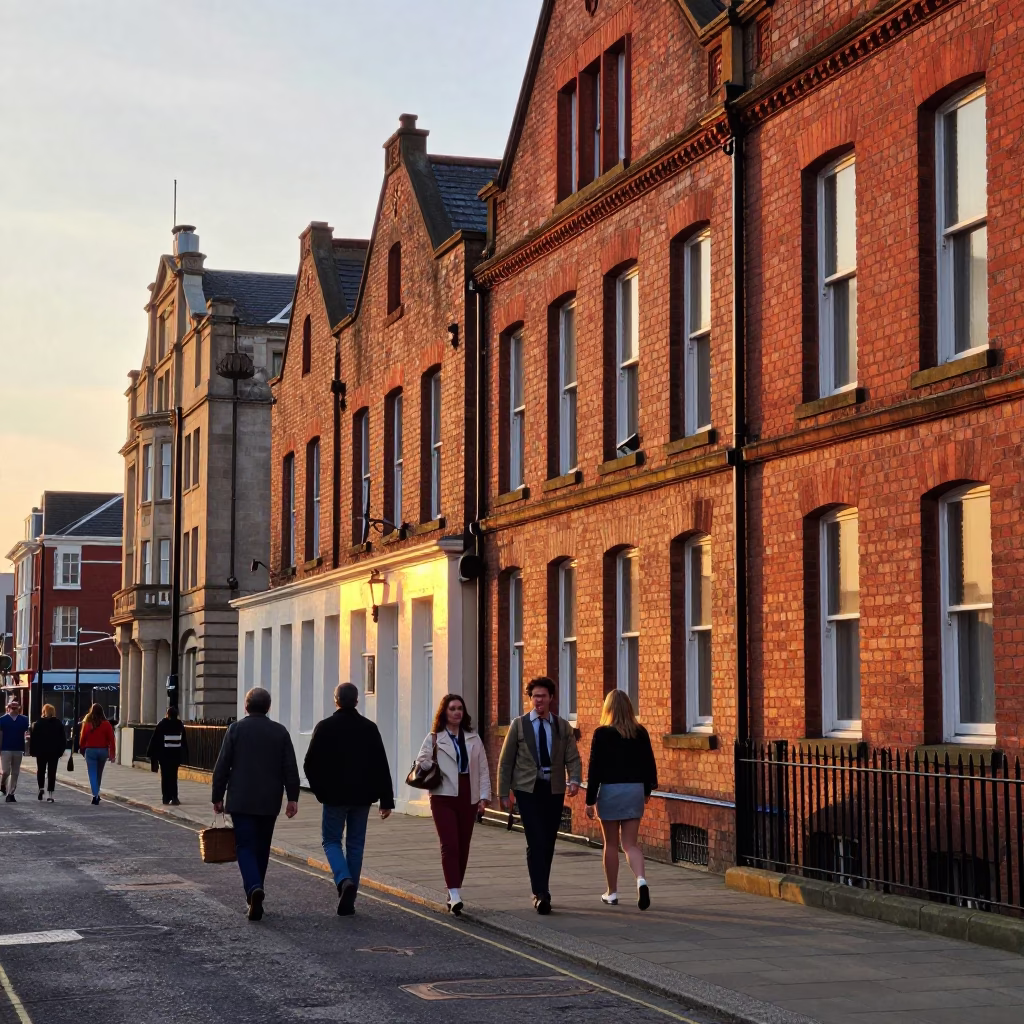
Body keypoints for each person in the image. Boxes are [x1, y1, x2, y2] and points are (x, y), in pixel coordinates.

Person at [303, 682, 394, 917]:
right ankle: (350, 896)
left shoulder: (324, 727)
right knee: (356, 845)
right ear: (356, 701)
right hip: (362, 797)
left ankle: (344, 881)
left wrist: (320, 791)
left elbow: (309, 764)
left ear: (336, 700)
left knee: (331, 841)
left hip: (334, 797)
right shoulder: (369, 728)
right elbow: (381, 765)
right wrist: (386, 800)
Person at [212, 687, 300, 921]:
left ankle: (253, 889)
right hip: (269, 800)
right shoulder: (280, 732)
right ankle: (256, 889)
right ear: (268, 707)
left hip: (241, 800)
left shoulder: (236, 730)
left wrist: (217, 796)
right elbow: (289, 767)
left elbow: (222, 765)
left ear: (246, 706)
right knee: (262, 847)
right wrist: (293, 798)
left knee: (245, 847)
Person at [497, 677, 582, 915]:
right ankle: (541, 893)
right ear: (530, 698)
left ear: (551, 698)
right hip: (527, 790)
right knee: (535, 839)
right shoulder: (519, 725)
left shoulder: (562, 726)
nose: (539, 701)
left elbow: (572, 757)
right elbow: (505, 762)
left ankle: (541, 889)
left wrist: (574, 779)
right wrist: (503, 793)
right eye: (535, 696)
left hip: (553, 789)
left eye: (543, 696)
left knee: (548, 841)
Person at [417, 694, 491, 915]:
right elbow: (422, 760)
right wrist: (434, 761)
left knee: (463, 844)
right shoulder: (434, 737)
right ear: (444, 712)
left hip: (468, 793)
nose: (457, 712)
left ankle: (454, 888)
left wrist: (484, 796)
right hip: (443, 794)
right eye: (452, 709)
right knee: (449, 844)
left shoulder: (473, 738)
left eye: (460, 708)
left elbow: (484, 768)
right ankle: (455, 893)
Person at [585, 689, 658, 910]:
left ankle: (612, 892)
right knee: (630, 845)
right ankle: (641, 880)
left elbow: (594, 768)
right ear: (629, 708)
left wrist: (590, 800)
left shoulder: (601, 733)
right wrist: (647, 790)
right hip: (634, 790)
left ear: (607, 709)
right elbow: (649, 764)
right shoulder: (640, 732)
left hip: (610, 791)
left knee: (611, 844)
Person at [147, 706, 189, 805]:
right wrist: (185, 754)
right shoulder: (179, 725)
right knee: (173, 777)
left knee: (165, 777)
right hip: (175, 755)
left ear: (167, 714)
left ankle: (166, 797)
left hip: (164, 755)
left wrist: (152, 754)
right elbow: (184, 741)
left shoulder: (162, 724)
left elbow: (155, 740)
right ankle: (174, 797)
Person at [79, 704, 116, 804]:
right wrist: (112, 754)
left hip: (90, 751)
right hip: (103, 751)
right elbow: (112, 739)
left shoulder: (88, 723)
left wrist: (81, 747)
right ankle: (96, 793)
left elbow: (83, 737)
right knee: (99, 774)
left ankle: (95, 795)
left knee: (92, 773)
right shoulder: (106, 724)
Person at [30, 704, 67, 803]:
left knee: (40, 770)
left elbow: (33, 739)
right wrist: (60, 751)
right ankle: (50, 795)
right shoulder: (58, 723)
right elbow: (63, 740)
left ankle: (41, 788)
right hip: (54, 752)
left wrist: (33, 751)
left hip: (41, 752)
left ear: (44, 712)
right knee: (52, 772)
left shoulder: (38, 723)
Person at [0, 698, 30, 803]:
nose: (13, 709)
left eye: (15, 707)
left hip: (18, 748)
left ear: (19, 708)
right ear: (8, 708)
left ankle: (11, 793)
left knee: (15, 772)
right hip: (5, 749)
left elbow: (26, 734)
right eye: (11, 707)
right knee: (6, 771)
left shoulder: (24, 719)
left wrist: (27, 748)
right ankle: (2, 784)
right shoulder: (2, 720)